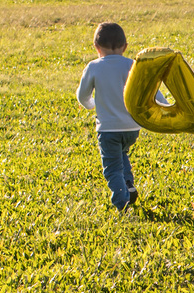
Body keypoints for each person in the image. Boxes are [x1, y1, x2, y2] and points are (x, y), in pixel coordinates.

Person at [76, 22, 164, 211]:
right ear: (125, 46)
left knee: (112, 168)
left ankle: (121, 202)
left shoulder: (94, 67)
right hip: (132, 128)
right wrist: (165, 108)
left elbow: (82, 95)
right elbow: (153, 91)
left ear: (96, 47)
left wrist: (91, 105)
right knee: (122, 154)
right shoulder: (133, 65)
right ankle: (128, 184)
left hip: (108, 129)